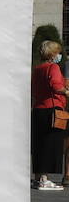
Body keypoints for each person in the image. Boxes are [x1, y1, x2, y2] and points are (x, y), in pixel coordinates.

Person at [32, 40, 68, 190]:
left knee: (40, 144)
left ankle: (38, 178)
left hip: (39, 109)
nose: (59, 55)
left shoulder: (38, 68)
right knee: (51, 144)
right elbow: (56, 86)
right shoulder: (53, 67)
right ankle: (45, 180)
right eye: (58, 52)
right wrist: (66, 92)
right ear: (52, 54)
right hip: (52, 110)